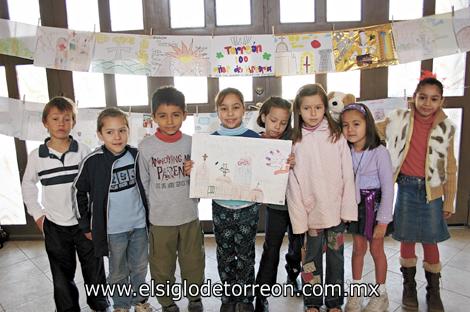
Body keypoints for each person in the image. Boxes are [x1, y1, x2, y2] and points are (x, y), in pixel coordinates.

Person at [376, 77, 457, 312]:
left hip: (432, 192)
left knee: (430, 240)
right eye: (422, 97)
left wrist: (449, 199)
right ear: (414, 97)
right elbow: (372, 128)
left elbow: (450, 166)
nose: (427, 103)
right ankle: (408, 287)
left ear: (441, 101)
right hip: (406, 188)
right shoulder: (399, 119)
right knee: (407, 237)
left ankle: (434, 292)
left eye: (433, 99)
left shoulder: (446, 128)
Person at [21, 96, 109, 312]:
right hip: (55, 227)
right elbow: (28, 186)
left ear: (73, 122)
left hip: (85, 225)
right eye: (55, 118)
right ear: (45, 123)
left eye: (67, 119)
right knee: (61, 276)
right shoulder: (37, 156)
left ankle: (100, 305)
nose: (61, 123)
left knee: (94, 271)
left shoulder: (83, 151)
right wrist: (38, 215)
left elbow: (96, 186)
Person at [287, 84, 357, 312]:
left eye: (318, 107)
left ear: (325, 108)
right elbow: (293, 184)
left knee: (336, 259)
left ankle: (334, 302)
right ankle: (313, 302)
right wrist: (299, 220)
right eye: (307, 108)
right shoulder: (295, 141)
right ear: (298, 110)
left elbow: (347, 173)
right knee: (310, 261)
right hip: (310, 215)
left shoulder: (336, 136)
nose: (313, 113)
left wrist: (347, 210)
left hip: (336, 213)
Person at [73, 108, 151, 312]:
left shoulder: (136, 155)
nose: (117, 137)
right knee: (118, 271)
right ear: (100, 134)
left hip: (139, 226)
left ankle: (140, 302)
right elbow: (78, 192)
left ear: (128, 131)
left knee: (140, 267)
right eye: (110, 132)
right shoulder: (93, 162)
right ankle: (121, 304)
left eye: (122, 130)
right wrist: (85, 224)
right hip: (113, 230)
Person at [138, 86, 205, 312]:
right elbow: (144, 184)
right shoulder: (146, 147)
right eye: (162, 115)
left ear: (185, 115)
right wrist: (150, 214)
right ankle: (167, 303)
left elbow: (204, 177)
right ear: (154, 116)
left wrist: (195, 171)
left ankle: (194, 299)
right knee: (161, 266)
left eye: (176, 115)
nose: (169, 121)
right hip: (160, 220)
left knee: (193, 262)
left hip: (188, 215)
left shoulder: (193, 143)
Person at [340, 103, 394, 312]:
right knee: (358, 249)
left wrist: (383, 220)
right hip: (356, 207)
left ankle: (380, 295)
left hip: (375, 205)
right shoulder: (345, 150)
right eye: (345, 125)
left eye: (356, 124)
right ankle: (355, 293)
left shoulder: (380, 152)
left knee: (377, 250)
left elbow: (389, 187)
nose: (350, 129)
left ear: (367, 124)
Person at [211, 87, 260, 312]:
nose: (230, 113)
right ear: (217, 111)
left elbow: (265, 169)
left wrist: (280, 162)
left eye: (235, 107)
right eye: (224, 108)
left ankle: (245, 297)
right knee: (224, 253)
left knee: (246, 252)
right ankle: (228, 296)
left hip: (248, 207)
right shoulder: (210, 141)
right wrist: (195, 168)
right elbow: (206, 171)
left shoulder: (255, 138)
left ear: (244, 109)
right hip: (221, 206)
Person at [253, 97, 303, 312]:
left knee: (297, 243)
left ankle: (293, 274)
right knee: (271, 247)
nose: (277, 126)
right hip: (275, 206)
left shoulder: (294, 138)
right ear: (263, 117)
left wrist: (295, 160)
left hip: (297, 201)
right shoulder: (254, 140)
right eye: (273, 120)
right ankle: (261, 295)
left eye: (283, 122)